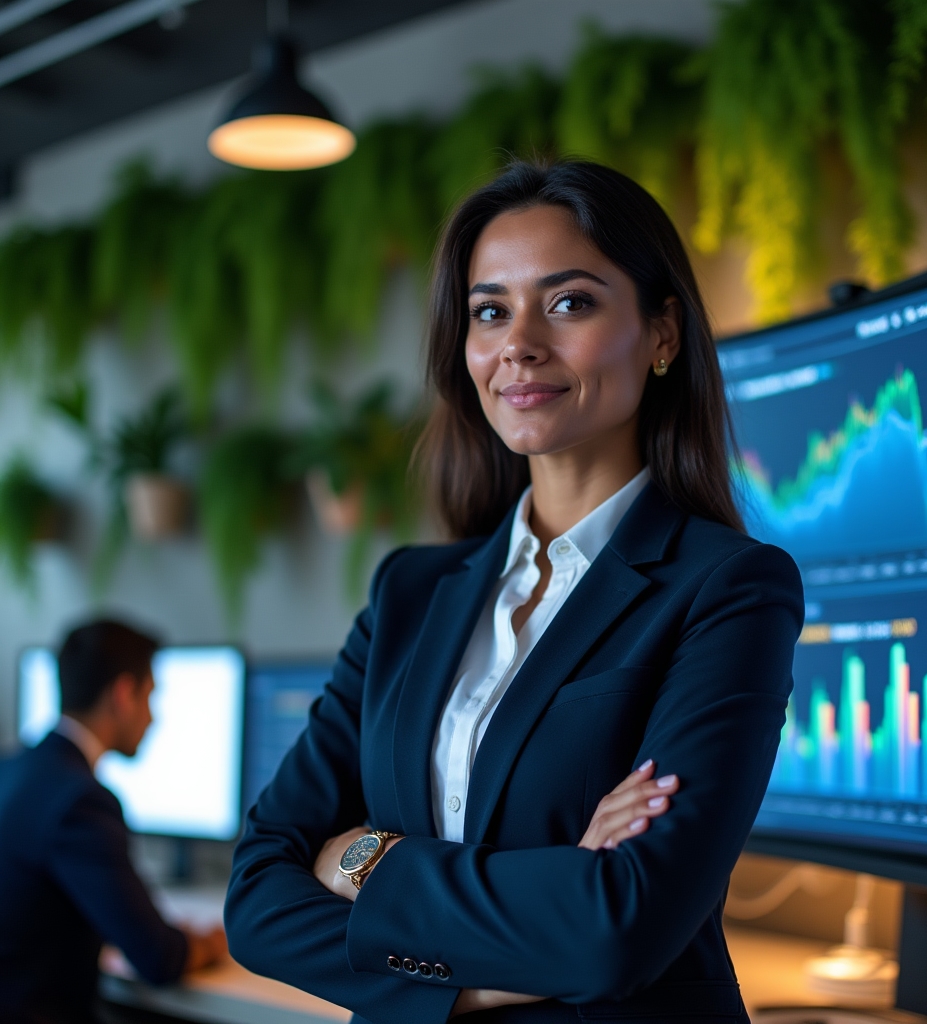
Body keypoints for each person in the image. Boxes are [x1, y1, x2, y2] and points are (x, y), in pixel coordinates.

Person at [225, 161, 804, 1024]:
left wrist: (362, 858)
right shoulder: (409, 594)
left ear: (663, 335)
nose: (518, 345)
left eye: (569, 303)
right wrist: (499, 960)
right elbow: (258, 901)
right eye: (490, 311)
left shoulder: (728, 588)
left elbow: (621, 928)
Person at [0, 619, 227, 1024]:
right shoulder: (80, 802)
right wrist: (215, 942)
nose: (153, 719)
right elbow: (159, 960)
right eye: (150, 697)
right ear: (123, 694)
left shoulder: (14, 769)